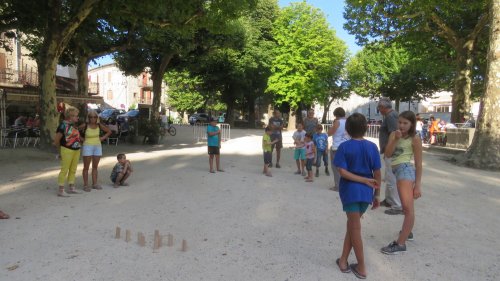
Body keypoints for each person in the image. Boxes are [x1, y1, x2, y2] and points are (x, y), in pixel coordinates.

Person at [334, 113, 381, 279]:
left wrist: (361, 179)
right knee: (352, 227)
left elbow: (342, 172)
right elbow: (377, 172)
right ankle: (343, 260)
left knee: (354, 229)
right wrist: (377, 194)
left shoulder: (344, 147)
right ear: (366, 128)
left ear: (346, 129)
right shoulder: (372, 147)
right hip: (366, 193)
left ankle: (361, 267)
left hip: (351, 192)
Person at [381, 111, 422, 254]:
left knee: (408, 208)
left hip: (405, 170)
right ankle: (407, 232)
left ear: (412, 124)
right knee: (406, 208)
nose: (402, 125)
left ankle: (400, 244)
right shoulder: (394, 134)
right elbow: (387, 154)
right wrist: (395, 139)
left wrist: (417, 185)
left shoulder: (415, 138)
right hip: (397, 171)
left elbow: (418, 163)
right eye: (400, 122)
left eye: (406, 123)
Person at [378, 97, 402, 215]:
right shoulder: (391, 115)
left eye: (379, 107)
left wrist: (388, 150)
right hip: (390, 151)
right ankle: (388, 200)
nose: (378, 109)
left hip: (391, 152)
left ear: (383, 107)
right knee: (389, 177)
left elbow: (394, 134)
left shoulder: (390, 116)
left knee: (391, 178)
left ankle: (397, 205)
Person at [79, 110, 112, 192]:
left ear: (97, 118)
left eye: (94, 117)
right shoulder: (85, 125)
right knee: (86, 167)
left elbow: (109, 131)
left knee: (95, 167)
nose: (93, 118)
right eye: (91, 117)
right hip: (87, 146)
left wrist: (102, 138)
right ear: (88, 118)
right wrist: (82, 139)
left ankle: (94, 183)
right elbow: (75, 131)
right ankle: (86, 185)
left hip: (97, 146)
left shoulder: (99, 125)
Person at [54, 107, 82, 197]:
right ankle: (61, 190)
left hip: (76, 149)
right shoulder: (62, 126)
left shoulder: (74, 125)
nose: (77, 118)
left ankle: (71, 187)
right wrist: (59, 152)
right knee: (64, 169)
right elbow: (56, 140)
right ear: (71, 116)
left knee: (73, 169)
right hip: (66, 149)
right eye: (76, 116)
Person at [328, 107, 349, 191]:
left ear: (336, 115)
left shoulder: (338, 122)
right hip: (347, 145)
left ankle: (338, 186)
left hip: (337, 147)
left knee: (336, 167)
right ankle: (346, 184)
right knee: (345, 166)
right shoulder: (348, 121)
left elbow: (330, 132)